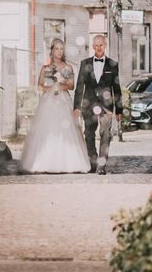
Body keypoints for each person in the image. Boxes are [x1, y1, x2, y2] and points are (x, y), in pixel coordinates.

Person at [20, 39, 90, 173]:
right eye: (56, 48)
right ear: (52, 50)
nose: (59, 51)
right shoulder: (46, 68)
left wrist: (60, 85)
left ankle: (67, 162)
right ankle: (44, 161)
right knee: (47, 129)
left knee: (65, 130)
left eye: (61, 49)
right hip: (48, 102)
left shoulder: (67, 67)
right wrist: (50, 88)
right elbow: (39, 85)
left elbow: (71, 85)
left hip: (63, 101)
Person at [72, 34, 123, 174]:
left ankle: (102, 166)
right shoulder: (85, 63)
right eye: (96, 45)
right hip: (88, 106)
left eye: (101, 45)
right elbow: (79, 87)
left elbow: (116, 89)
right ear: (93, 47)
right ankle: (93, 162)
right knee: (89, 135)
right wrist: (76, 107)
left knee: (105, 134)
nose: (99, 48)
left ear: (105, 45)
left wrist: (119, 110)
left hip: (107, 107)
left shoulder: (113, 65)